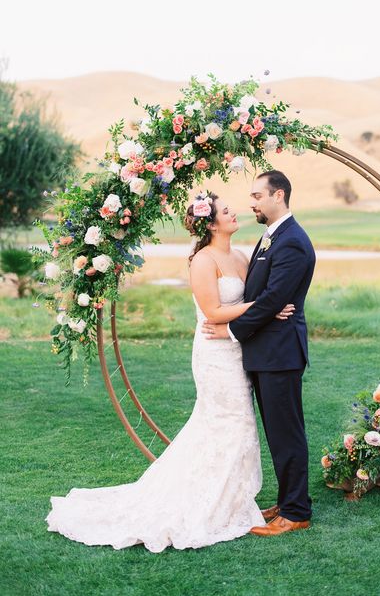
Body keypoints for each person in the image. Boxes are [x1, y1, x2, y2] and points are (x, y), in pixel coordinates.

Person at [45, 191, 294, 553]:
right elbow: (213, 312)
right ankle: (210, 502)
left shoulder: (240, 255)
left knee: (234, 424)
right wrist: (267, 308)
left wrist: (266, 309)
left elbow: (252, 300)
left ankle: (229, 496)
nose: (234, 212)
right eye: (226, 210)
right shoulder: (203, 261)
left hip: (240, 349)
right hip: (214, 353)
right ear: (210, 223)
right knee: (231, 422)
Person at [202, 170, 316, 536]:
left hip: (280, 354)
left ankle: (296, 512)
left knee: (287, 434)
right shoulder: (272, 238)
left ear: (278, 195)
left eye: (256, 196)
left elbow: (271, 299)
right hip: (267, 352)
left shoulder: (292, 241)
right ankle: (286, 501)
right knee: (277, 433)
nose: (251, 203)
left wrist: (231, 329)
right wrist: (267, 304)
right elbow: (265, 297)